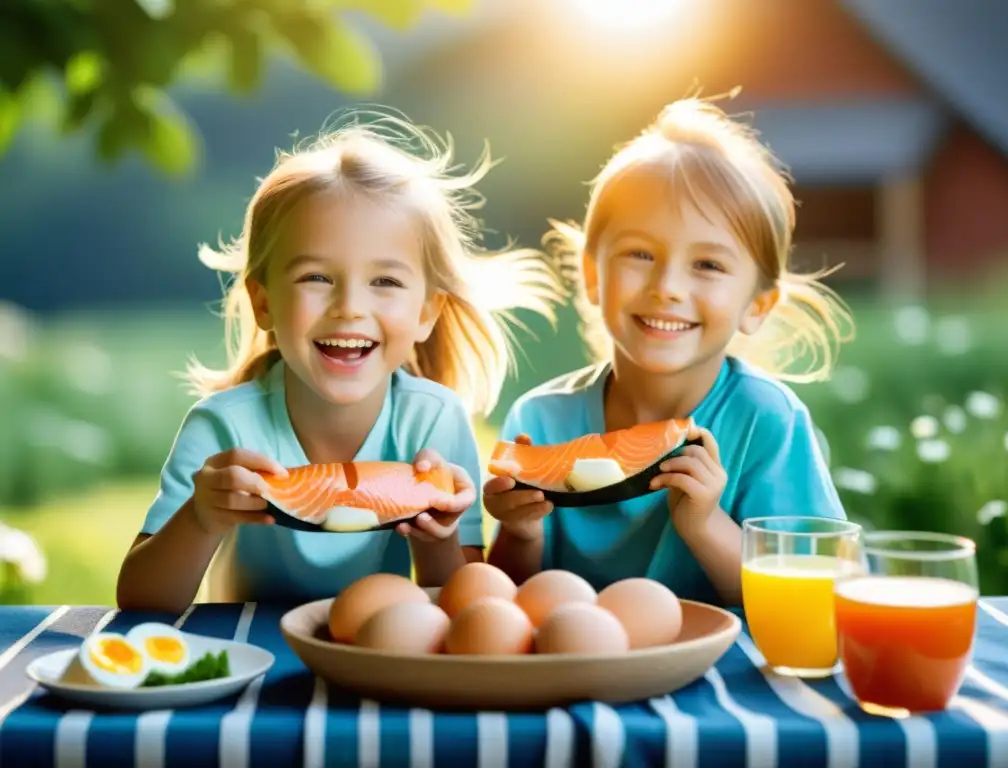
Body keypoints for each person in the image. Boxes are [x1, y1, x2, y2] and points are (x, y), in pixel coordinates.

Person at [117, 111, 565, 613]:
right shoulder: (222, 427)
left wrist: (436, 538)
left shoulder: (433, 421)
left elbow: (458, 606)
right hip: (253, 655)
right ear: (264, 303)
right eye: (317, 277)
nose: (350, 307)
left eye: (385, 282)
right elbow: (139, 601)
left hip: (378, 655)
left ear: (425, 313)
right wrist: (200, 519)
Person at [484, 96, 855, 606]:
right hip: (575, 673)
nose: (668, 287)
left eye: (707, 265)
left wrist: (704, 525)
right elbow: (505, 604)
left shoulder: (767, 420)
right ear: (594, 276)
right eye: (640, 254)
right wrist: (520, 534)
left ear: (757, 304)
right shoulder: (541, 420)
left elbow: (810, 602)